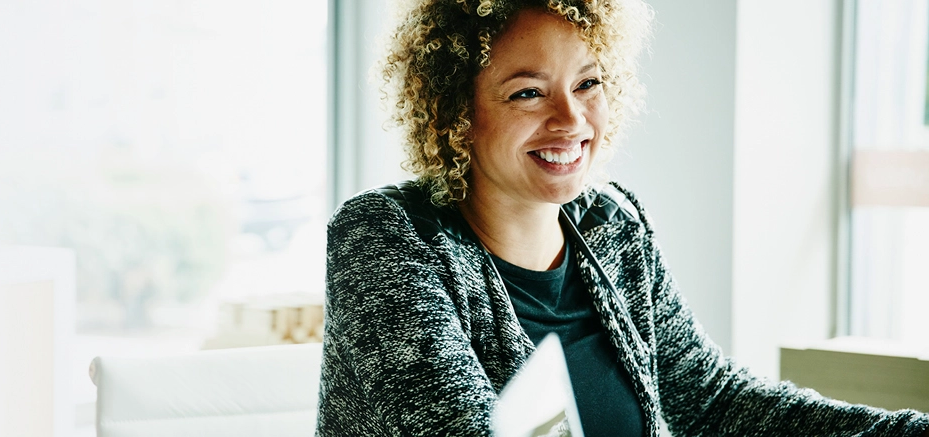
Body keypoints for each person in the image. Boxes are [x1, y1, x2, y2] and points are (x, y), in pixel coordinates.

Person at [314, 0, 929, 436]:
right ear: (455, 113)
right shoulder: (386, 240)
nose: (572, 120)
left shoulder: (613, 226)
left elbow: (712, 403)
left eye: (588, 83)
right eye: (528, 92)